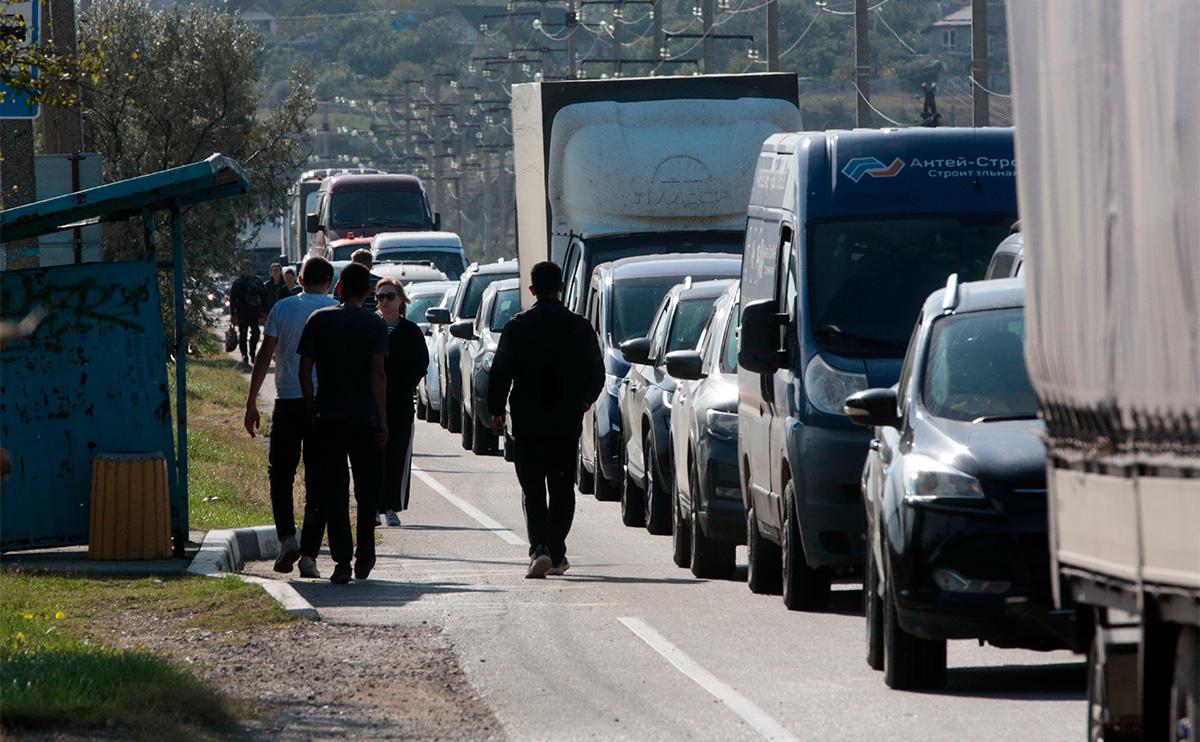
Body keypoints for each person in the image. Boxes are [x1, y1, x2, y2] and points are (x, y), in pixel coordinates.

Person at [488, 261, 604, 578]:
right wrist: (585, 399)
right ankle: (555, 550)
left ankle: (540, 549)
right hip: (565, 421)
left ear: (532, 290)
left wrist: (496, 408)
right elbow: (597, 372)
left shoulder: (517, 326)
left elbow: (500, 371)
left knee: (534, 487)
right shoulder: (580, 327)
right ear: (562, 287)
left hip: (528, 421)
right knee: (563, 487)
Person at [244, 257, 338, 579]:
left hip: (287, 402)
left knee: (280, 473)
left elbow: (264, 355)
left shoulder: (282, 309)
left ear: (299, 278)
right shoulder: (336, 310)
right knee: (318, 478)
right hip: (322, 407)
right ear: (330, 281)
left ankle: (287, 537)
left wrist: (251, 402)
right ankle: (309, 555)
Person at [298, 262, 390, 585]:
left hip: (329, 419)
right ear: (367, 292)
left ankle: (342, 562)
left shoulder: (319, 320)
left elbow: (304, 370)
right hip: (365, 418)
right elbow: (377, 374)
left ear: (338, 288)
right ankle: (365, 553)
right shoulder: (375, 326)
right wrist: (382, 420)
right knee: (367, 491)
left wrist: (312, 408)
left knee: (335, 492)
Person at [374, 277, 429, 527]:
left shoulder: (410, 331)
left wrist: (402, 384)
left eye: (389, 296)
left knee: (397, 454)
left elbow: (421, 363)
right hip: (372, 404)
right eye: (380, 297)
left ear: (401, 300)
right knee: (373, 455)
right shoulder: (371, 327)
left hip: (400, 403)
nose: (384, 301)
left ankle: (391, 507)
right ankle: (373, 506)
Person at [229, 262, 267, 365]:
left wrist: (263, 312)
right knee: (243, 334)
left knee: (255, 333)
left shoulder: (257, 281)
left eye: (248, 269)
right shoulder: (237, 283)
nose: (246, 271)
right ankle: (244, 355)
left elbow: (263, 297)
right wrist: (232, 314)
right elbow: (232, 299)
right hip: (242, 312)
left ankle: (252, 353)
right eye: (244, 269)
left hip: (254, 312)